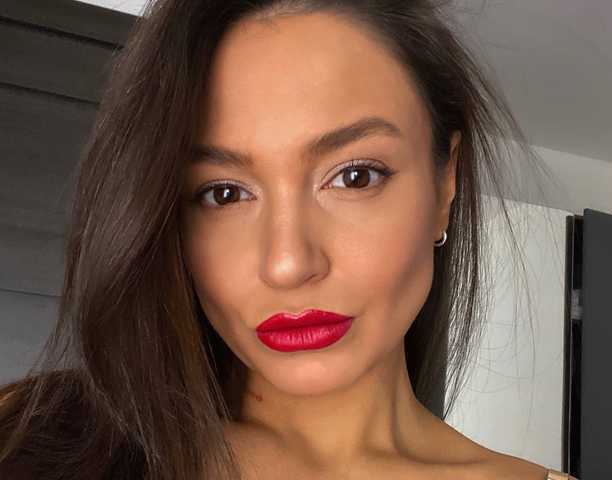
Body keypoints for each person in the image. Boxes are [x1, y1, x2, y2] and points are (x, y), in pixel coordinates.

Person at [0, 1, 578, 479]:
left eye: (355, 177)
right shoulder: (33, 444)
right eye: (224, 193)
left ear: (445, 183)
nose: (287, 262)